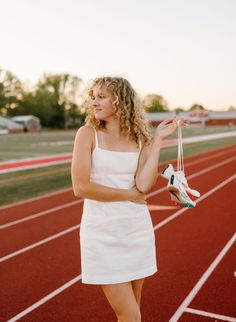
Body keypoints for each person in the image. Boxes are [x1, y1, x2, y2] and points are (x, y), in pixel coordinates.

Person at [71, 76, 187, 322]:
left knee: (132, 312)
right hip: (102, 233)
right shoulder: (87, 134)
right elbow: (81, 187)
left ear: (120, 101)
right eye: (93, 96)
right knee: (130, 315)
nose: (94, 101)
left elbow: (144, 184)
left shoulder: (139, 138)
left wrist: (156, 142)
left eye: (101, 96)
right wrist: (129, 195)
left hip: (136, 229)